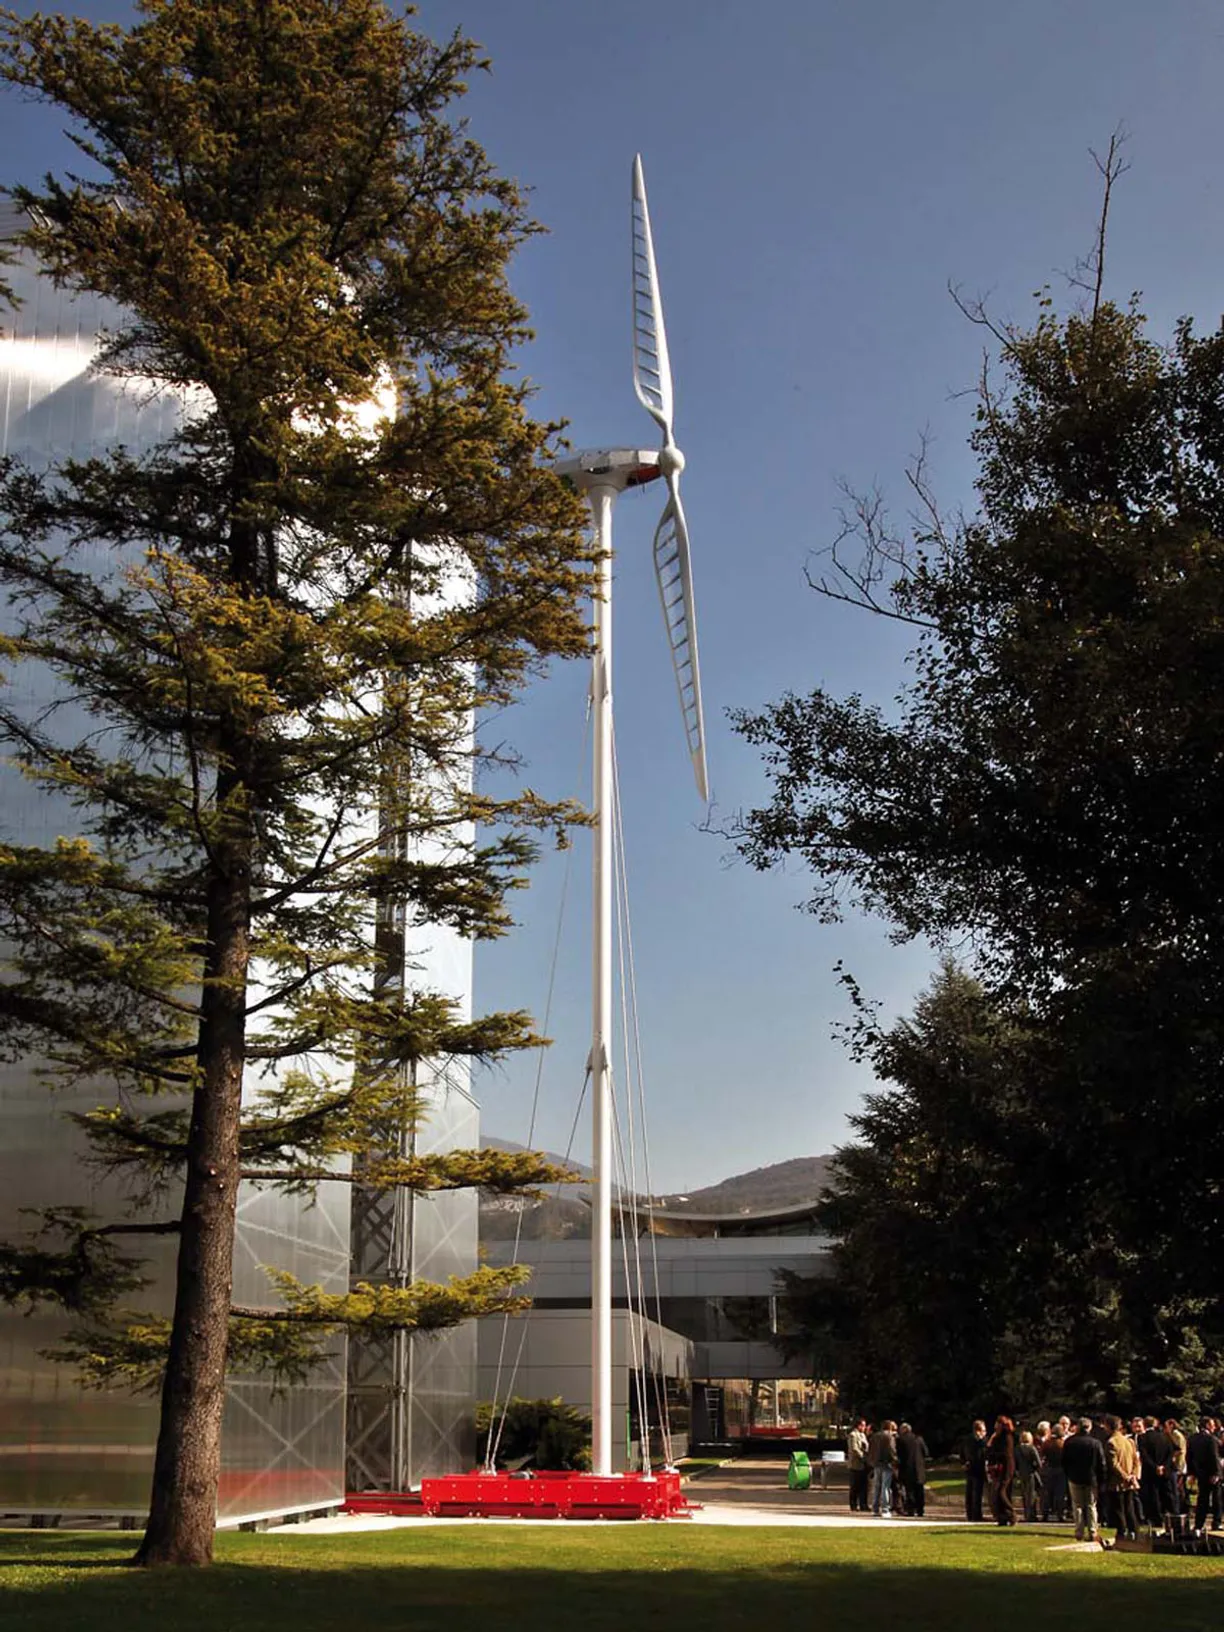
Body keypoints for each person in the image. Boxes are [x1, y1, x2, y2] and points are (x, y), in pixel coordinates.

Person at [1062, 1416, 1107, 1542]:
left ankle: (1079, 1531)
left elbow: (1064, 1461)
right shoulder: (1095, 1443)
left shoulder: (1069, 1442)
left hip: (1074, 1477)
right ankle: (1093, 1531)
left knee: (1077, 1505)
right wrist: (1101, 1479)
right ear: (1089, 1427)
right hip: (1091, 1478)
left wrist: (1069, 1474)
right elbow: (1101, 1463)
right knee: (1091, 1505)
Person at [1105, 1413, 1141, 1542]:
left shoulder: (1111, 1442)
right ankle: (1134, 1531)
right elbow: (1136, 1460)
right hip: (1130, 1481)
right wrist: (1133, 1476)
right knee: (1129, 1507)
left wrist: (1125, 1476)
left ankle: (1122, 1532)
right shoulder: (1129, 1441)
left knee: (1119, 1508)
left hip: (1118, 1482)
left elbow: (1114, 1464)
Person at [1186, 1416, 1223, 1534]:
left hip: (1200, 1473)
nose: (1214, 1427)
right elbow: (1214, 1457)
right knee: (1217, 1499)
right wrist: (1216, 1473)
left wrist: (1191, 1473)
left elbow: (1189, 1457)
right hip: (1211, 1473)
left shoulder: (1192, 1439)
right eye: (1212, 1424)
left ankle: (1199, 1523)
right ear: (1207, 1425)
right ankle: (1216, 1523)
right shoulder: (1211, 1439)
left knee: (1202, 1499)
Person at [1138, 1415, 1177, 1524]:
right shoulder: (1165, 1436)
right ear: (1155, 1424)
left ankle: (1156, 1518)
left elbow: (1144, 1456)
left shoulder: (1142, 1438)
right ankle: (1172, 1515)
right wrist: (1164, 1466)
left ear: (1144, 1425)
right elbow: (1171, 1453)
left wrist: (1155, 1467)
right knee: (1167, 1493)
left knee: (1153, 1494)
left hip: (1150, 1471)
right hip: (1165, 1470)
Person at [987, 1415, 1017, 1526]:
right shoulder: (998, 1437)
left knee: (1001, 1491)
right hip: (1000, 1467)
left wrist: (991, 1446)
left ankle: (1011, 1514)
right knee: (997, 1492)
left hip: (1005, 1467)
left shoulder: (1006, 1437)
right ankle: (1002, 1517)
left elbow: (1005, 1454)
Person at [896, 1422, 929, 1518]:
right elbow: (926, 1452)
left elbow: (898, 1454)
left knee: (909, 1490)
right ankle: (920, 1510)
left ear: (903, 1430)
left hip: (907, 1468)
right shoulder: (919, 1439)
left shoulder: (901, 1440)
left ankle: (910, 1510)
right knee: (919, 1490)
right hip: (919, 1468)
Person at [869, 1419, 898, 1518]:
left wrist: (872, 1461)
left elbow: (871, 1450)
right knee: (885, 1487)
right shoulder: (889, 1437)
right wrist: (894, 1460)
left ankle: (875, 1509)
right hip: (886, 1464)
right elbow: (891, 1450)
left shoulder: (875, 1436)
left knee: (877, 1486)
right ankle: (885, 1509)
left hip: (877, 1464)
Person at [963, 1420, 988, 1522]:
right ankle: (976, 1515)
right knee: (976, 1493)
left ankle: (971, 1514)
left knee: (971, 1492)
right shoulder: (979, 1441)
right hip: (977, 1468)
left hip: (971, 1468)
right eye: (983, 1430)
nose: (984, 1432)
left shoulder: (968, 1440)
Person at [1042, 1425, 1069, 1522]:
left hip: (1049, 1469)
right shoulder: (1063, 1444)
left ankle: (1045, 1514)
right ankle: (1060, 1514)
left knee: (1047, 1493)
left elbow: (1043, 1455)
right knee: (1060, 1494)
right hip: (1061, 1470)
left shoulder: (1047, 1443)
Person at [1015, 1430, 1042, 1522]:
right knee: (1031, 1495)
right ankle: (1031, 1515)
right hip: (1030, 1473)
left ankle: (1026, 1514)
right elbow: (1038, 1463)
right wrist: (1035, 1467)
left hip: (1022, 1474)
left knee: (1024, 1494)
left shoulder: (1017, 1449)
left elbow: (1016, 1463)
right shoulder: (1032, 1448)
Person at [846, 1419, 870, 1512]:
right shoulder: (853, 1435)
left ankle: (863, 1504)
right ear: (858, 1426)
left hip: (864, 1465)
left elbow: (866, 1446)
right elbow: (854, 1449)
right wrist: (863, 1457)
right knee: (855, 1486)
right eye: (863, 1425)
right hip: (856, 1464)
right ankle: (853, 1505)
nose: (864, 1427)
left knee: (864, 1486)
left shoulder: (863, 1435)